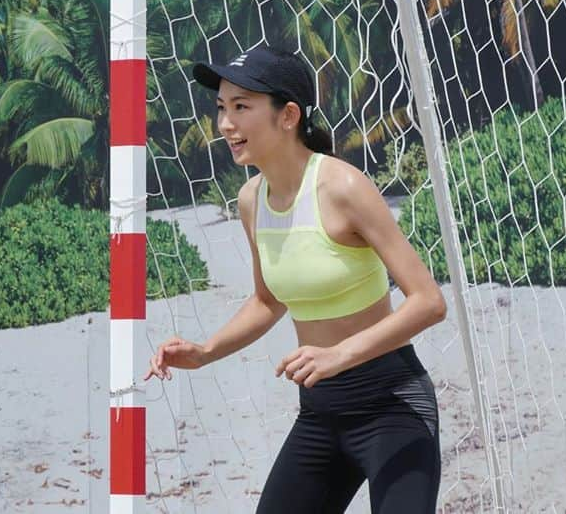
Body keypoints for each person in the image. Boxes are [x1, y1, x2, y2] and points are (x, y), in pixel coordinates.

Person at [143, 45, 447, 512]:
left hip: (392, 407)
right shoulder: (251, 200)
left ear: (288, 116)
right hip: (320, 414)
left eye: (241, 107)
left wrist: (338, 355)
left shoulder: (343, 187)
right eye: (222, 108)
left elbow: (428, 301)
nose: (226, 124)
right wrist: (205, 353)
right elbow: (267, 301)